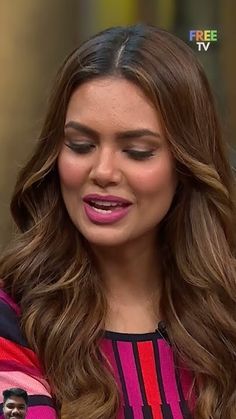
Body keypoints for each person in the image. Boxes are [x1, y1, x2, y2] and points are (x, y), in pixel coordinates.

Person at [0, 23, 236, 419]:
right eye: (81, 145)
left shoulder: (226, 311)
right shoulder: (13, 317)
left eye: (138, 150)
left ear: (186, 166)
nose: (103, 171)